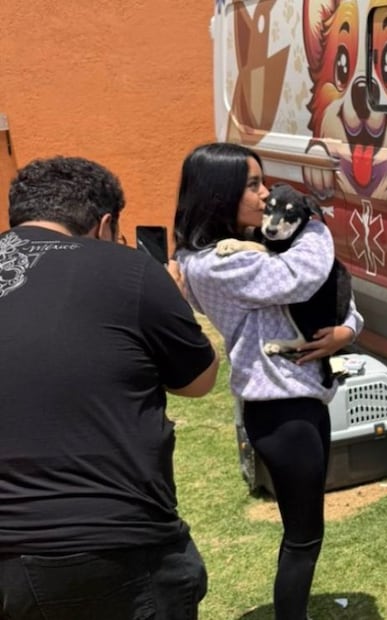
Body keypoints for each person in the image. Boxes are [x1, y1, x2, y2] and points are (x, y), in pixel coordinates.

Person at [0, 156, 220, 620]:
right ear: (104, 225)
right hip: (112, 547)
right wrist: (174, 300)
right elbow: (199, 381)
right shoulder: (129, 269)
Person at [173, 143, 364, 620]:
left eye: (263, 183)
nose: (264, 196)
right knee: (303, 537)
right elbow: (304, 275)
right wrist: (316, 221)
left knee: (306, 535)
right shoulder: (214, 262)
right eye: (253, 185)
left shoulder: (256, 247)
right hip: (278, 407)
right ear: (219, 194)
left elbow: (332, 290)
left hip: (303, 397)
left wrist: (348, 330)